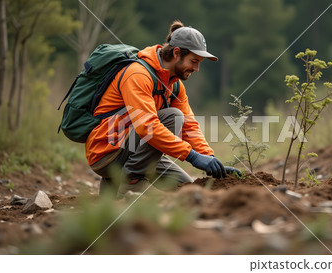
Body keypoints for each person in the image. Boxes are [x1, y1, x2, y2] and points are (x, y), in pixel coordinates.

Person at [85, 20, 239, 197]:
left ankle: (113, 192)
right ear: (176, 53)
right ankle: (132, 181)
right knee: (173, 117)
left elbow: (189, 126)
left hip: (134, 150)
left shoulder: (175, 86)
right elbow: (146, 126)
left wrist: (210, 159)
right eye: (194, 61)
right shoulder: (137, 74)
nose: (196, 68)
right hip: (106, 152)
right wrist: (193, 157)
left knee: (187, 189)